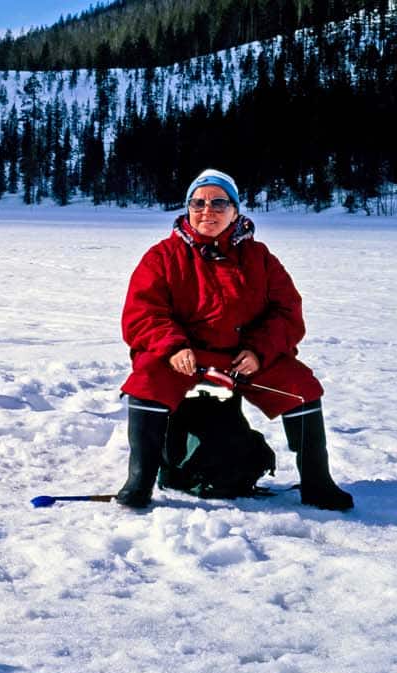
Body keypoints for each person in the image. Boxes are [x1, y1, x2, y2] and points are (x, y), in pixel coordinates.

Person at [116, 169, 353, 511]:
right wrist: (173, 347)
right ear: (187, 209)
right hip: (186, 356)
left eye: (218, 202)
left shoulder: (260, 258)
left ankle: (318, 483)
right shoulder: (162, 257)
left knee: (301, 387)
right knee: (146, 380)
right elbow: (142, 314)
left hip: (243, 357)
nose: (206, 211)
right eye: (197, 203)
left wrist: (258, 350)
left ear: (235, 211)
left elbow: (287, 313)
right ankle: (139, 481)